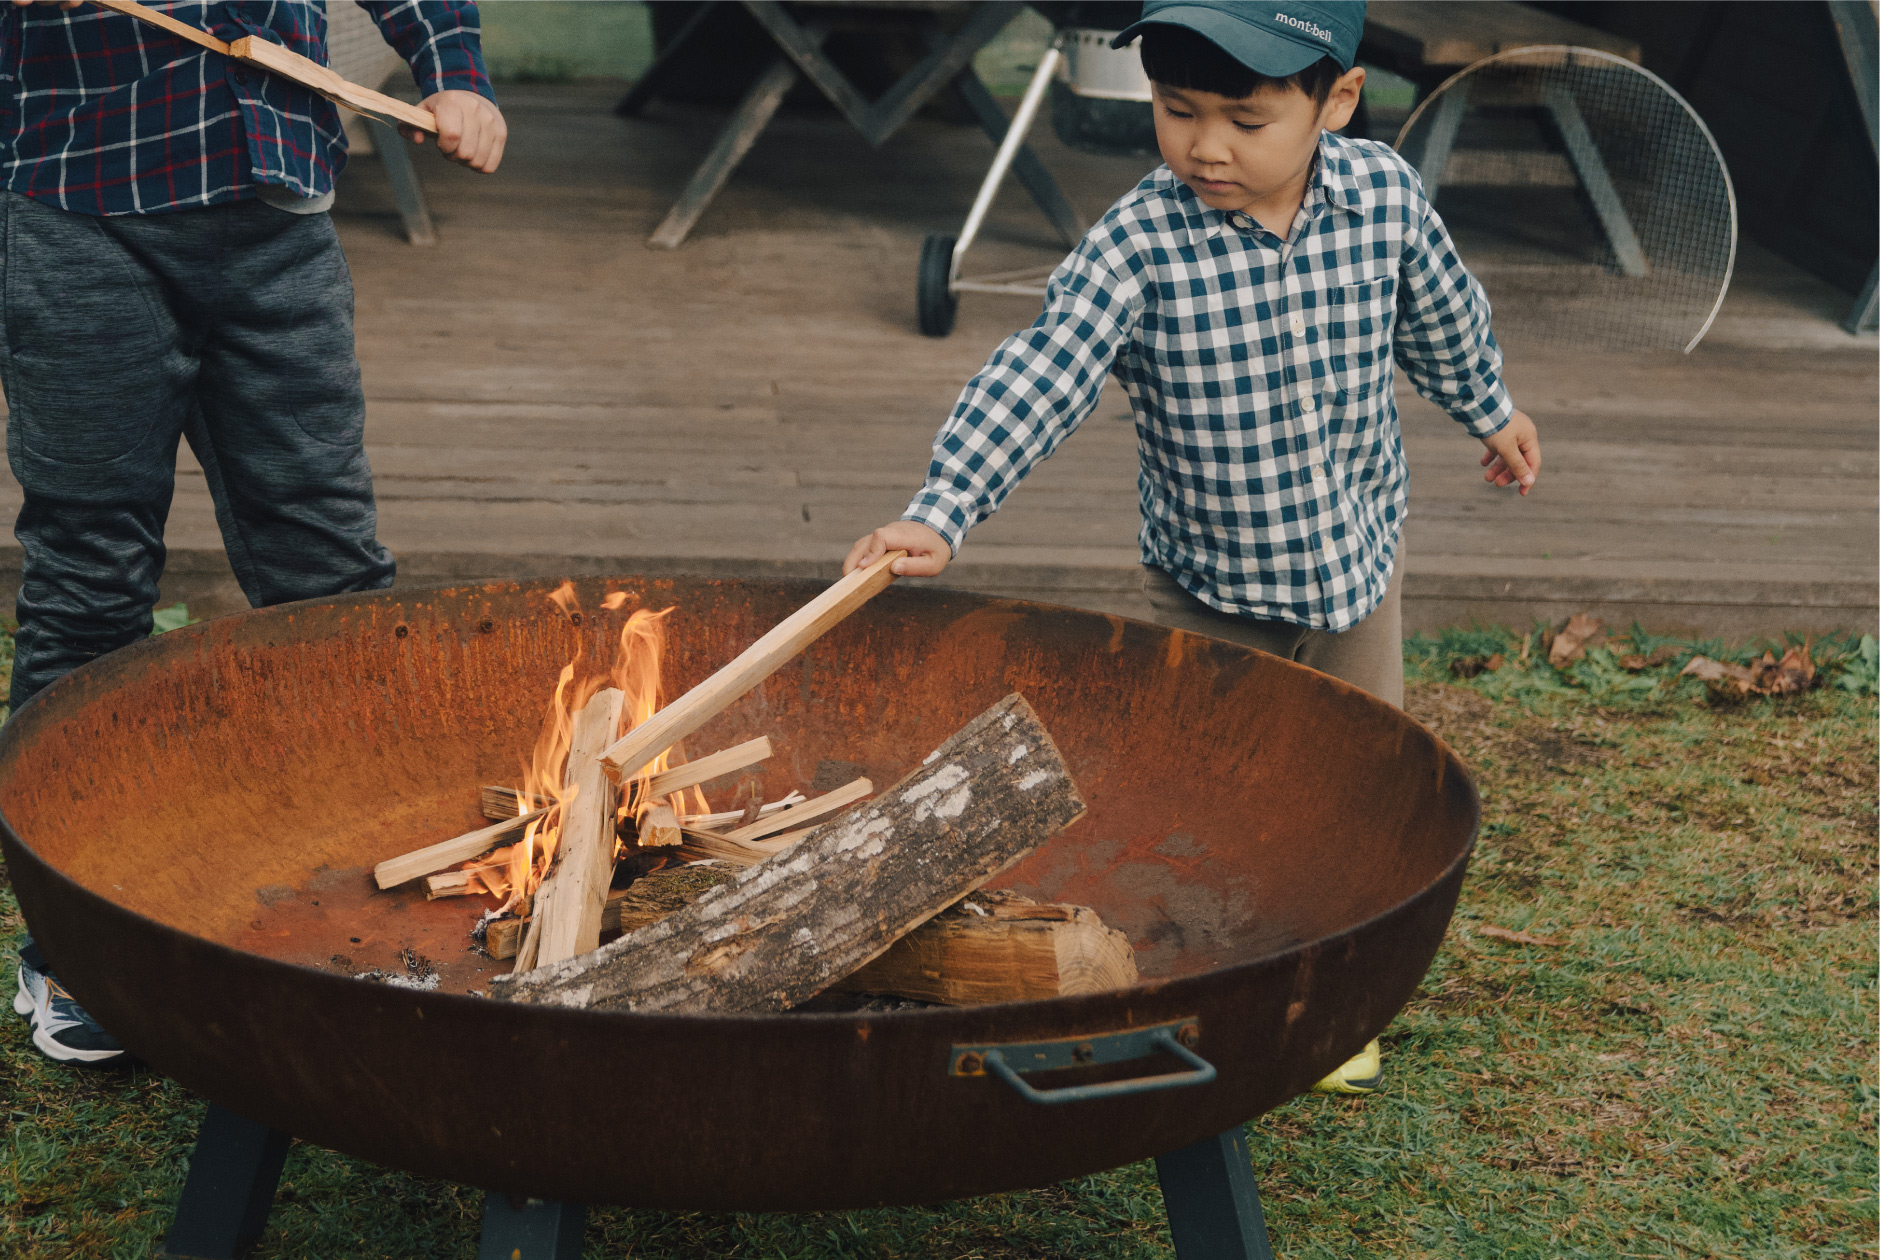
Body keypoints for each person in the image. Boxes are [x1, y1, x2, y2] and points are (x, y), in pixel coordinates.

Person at [845, 0, 1541, 1094]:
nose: (1204, 146)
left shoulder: (1381, 198)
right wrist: (944, 506)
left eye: (1244, 119)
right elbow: (1043, 370)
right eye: (1175, 111)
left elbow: (1439, 312)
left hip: (1359, 566)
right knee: (1210, 807)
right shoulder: (1138, 241)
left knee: (1354, 785)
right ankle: (1207, 983)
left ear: (1336, 102)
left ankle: (1331, 995)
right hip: (1212, 588)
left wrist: (1487, 406)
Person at [1, 0, 506, 1066]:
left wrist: (453, 67)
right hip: (75, 214)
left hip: (279, 224)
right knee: (89, 585)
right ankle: (73, 947)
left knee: (330, 579)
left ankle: (373, 918)